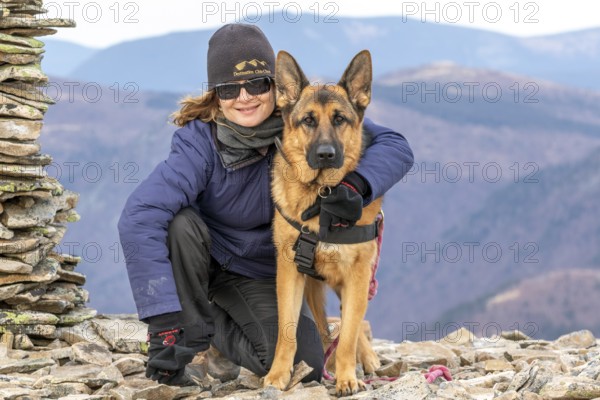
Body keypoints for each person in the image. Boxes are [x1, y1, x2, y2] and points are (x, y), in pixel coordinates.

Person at [118, 23, 414, 386]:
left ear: (277, 88)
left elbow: (395, 146)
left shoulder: (299, 114)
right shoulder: (199, 144)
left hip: (263, 273)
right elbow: (139, 216)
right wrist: (162, 315)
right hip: (211, 265)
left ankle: (224, 334)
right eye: (229, 88)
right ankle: (194, 326)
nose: (245, 97)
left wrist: (357, 185)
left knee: (305, 366)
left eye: (257, 84)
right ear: (216, 94)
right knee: (179, 223)